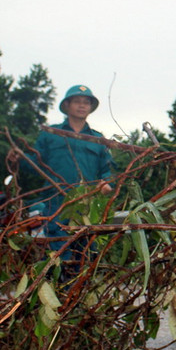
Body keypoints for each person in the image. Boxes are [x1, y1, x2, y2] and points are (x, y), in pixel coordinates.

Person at [30, 84, 113, 243]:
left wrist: (106, 184)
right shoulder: (50, 134)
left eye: (86, 102)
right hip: (55, 206)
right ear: (67, 105)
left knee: (85, 257)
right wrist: (18, 158)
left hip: (87, 208)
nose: (82, 105)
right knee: (57, 256)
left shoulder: (98, 139)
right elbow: (34, 164)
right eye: (77, 101)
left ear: (90, 107)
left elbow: (107, 171)